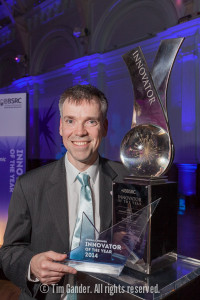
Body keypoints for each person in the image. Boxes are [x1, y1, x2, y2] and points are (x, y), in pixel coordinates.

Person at [0, 84, 128, 299]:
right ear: (60, 127)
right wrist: (31, 265)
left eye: (91, 121)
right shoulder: (29, 185)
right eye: (70, 121)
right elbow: (9, 251)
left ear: (104, 127)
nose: (79, 131)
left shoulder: (128, 179)